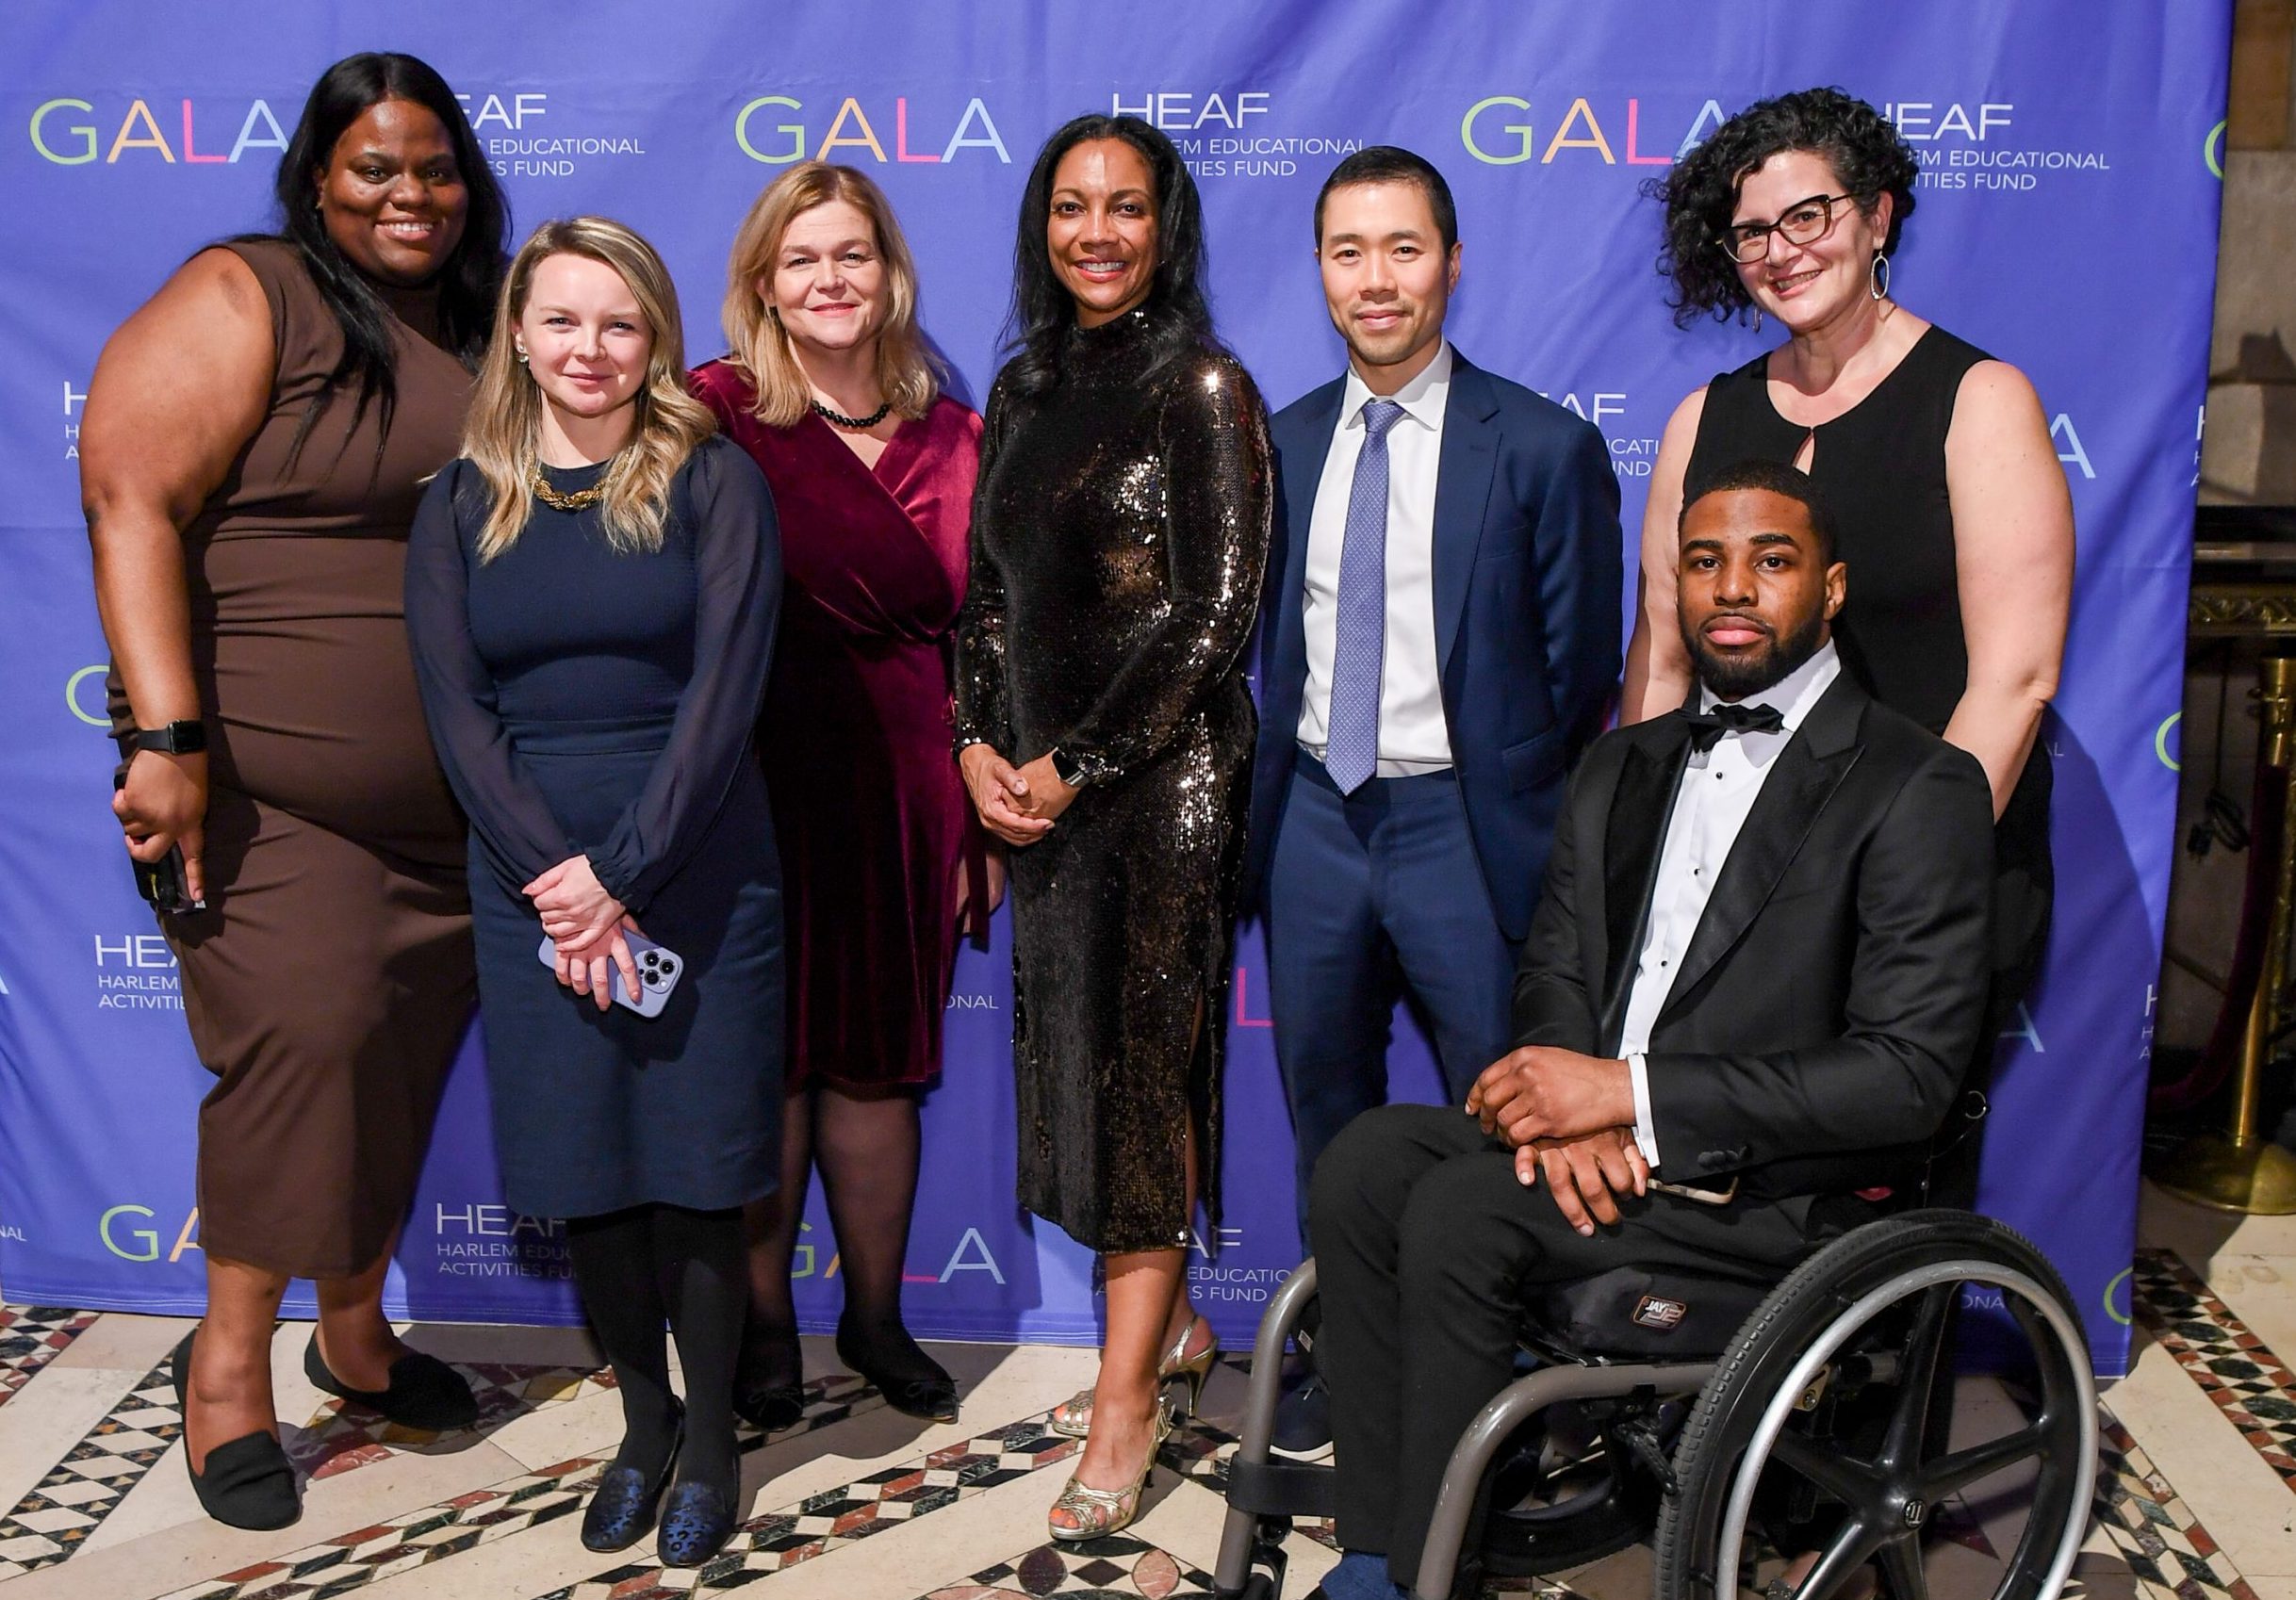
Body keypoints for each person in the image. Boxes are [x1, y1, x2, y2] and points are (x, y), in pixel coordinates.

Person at [1306, 463, 1997, 1600]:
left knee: (1465, 1211)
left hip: (1775, 1193)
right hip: (1611, 1149)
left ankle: (1432, 1574)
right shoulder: (1621, 762)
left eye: (1771, 561)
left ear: (1830, 589)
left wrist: (1630, 1098)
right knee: (1367, 1161)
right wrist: (1568, 1114)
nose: (1734, 588)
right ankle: (1385, 1546)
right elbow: (1557, 968)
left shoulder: (1917, 783)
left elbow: (1905, 1077)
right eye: (1704, 561)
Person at [80, 51, 508, 1530]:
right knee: (310, 1045)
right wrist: (168, 739)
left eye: (436, 168)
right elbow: (130, 494)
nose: (411, 195)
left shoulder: (475, 324)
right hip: (269, 791)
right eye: (375, 167)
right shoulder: (249, 291)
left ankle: (356, 1337)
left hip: (451, 804)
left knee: (395, 1062)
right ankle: (225, 1372)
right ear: (318, 177)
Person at [404, 217, 781, 1569]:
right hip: (530, 880)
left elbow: (724, 701)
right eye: (562, 319)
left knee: (696, 1173)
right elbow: (459, 716)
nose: (590, 348)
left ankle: (714, 1442)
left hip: (697, 865)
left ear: (656, 340)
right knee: (592, 1174)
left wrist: (618, 874)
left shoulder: (715, 481)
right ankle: (642, 1424)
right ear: (518, 331)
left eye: (620, 324)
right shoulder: (459, 503)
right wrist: (560, 887)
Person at [1248, 145, 1623, 1451]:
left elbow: (1579, 674)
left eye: (1402, 249)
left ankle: (1523, 1379)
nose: (1376, 279)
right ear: (1320, 271)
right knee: (1327, 1110)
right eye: (1348, 251)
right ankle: (1352, 1359)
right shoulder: (1281, 444)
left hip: (1465, 830)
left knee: (1509, 1113)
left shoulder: (1544, 447)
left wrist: (1492, 796)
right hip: (1312, 822)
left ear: (1452, 264)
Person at [952, 113, 1271, 1541]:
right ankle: (1177, 1327)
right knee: (1074, 1077)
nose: (1098, 233)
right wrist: (975, 746)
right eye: (1073, 207)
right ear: (1043, 226)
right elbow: (988, 599)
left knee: (1143, 1083)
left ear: (1166, 227)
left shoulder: (1201, 386)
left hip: (1161, 794)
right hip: (1040, 799)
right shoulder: (1023, 388)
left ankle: (1127, 1397)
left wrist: (1072, 763)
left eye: (1126, 208)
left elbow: (1214, 616)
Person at [1625, 87, 2069, 1087]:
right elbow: (1661, 656)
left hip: (1919, 878)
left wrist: (1897, 871)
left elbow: (2016, 680)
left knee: (1880, 1158)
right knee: (1705, 1148)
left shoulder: (1978, 400)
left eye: (1808, 215)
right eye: (1751, 233)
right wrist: (1637, 856)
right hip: (1725, 880)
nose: (1780, 251)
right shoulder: (1703, 418)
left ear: (1877, 216)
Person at [692, 160, 986, 1430]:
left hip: (909, 792)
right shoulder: (712, 412)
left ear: (890, 271)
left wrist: (979, 811)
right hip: (749, 784)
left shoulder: (959, 435)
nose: (829, 279)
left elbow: (987, 641)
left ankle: (875, 1318)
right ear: (763, 283)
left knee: (877, 1070)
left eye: (851, 253)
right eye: (801, 258)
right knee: (764, 1070)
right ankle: (764, 1328)